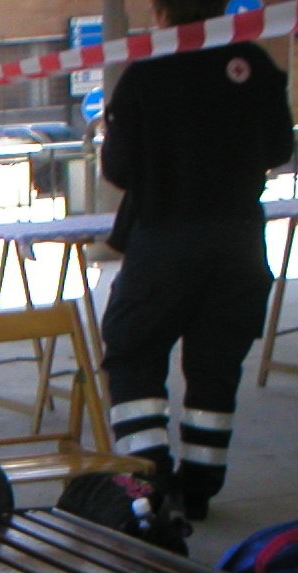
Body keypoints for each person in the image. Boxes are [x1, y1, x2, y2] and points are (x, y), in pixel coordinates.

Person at [100, 0, 294, 521]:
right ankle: (201, 489)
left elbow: (117, 168)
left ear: (162, 12)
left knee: (132, 354)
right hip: (238, 244)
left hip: (165, 239)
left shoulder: (145, 71)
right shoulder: (252, 62)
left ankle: (148, 485)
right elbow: (279, 147)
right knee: (215, 368)